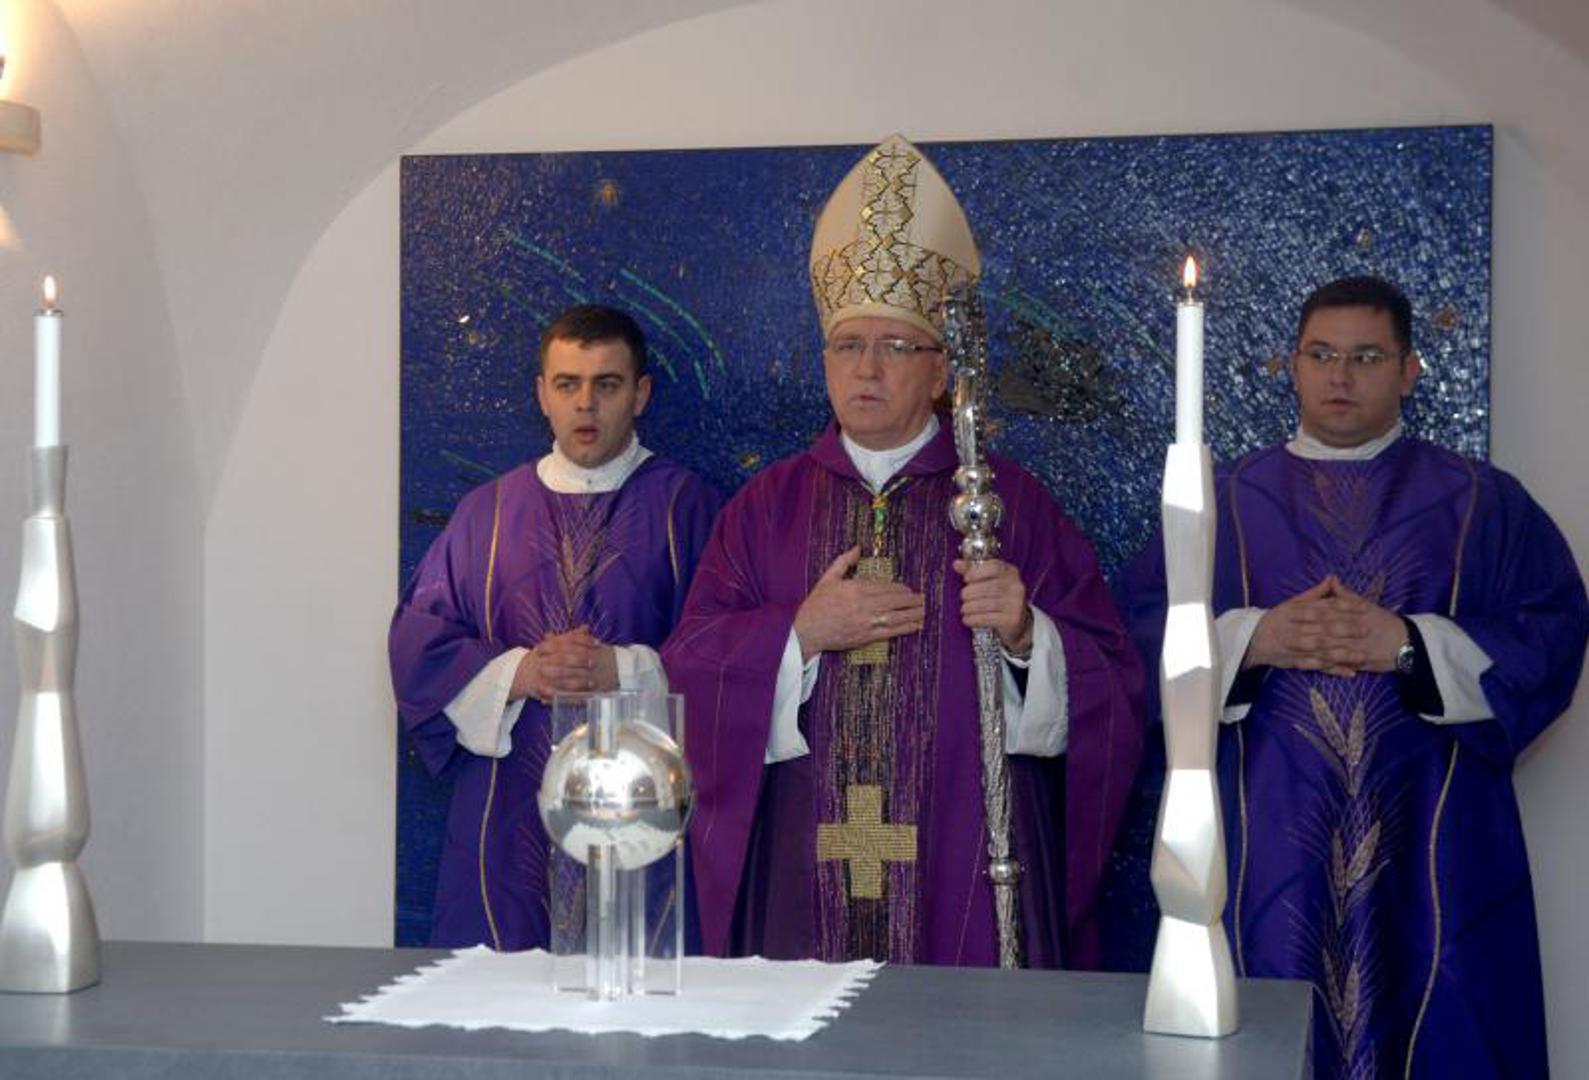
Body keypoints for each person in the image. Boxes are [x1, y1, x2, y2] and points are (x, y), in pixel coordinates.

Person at [662, 135, 1144, 969]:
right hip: (799, 862)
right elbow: (689, 667)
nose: (867, 369)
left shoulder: (1009, 503)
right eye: (848, 346)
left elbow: (1115, 682)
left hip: (965, 856)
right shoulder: (764, 508)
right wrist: (797, 634)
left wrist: (1027, 637)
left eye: (894, 347)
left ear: (940, 373)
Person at [1122, 275, 1588, 1078]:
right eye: (1320, 355)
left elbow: (1548, 634)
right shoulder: (1221, 500)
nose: (1339, 377)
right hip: (1262, 832)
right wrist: (1254, 637)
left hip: (1434, 839)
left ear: (1408, 371)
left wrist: (1406, 645)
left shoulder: (1482, 502)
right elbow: (1130, 638)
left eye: (1365, 357)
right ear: (1291, 367)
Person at [389, 304, 722, 949]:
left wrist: (621, 669)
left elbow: (732, 656)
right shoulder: (485, 515)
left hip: (645, 815)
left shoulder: (688, 508)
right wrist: (523, 673)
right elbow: (417, 646)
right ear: (542, 394)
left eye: (607, 384)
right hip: (506, 816)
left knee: (640, 980)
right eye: (567, 384)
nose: (585, 404)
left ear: (641, 394)